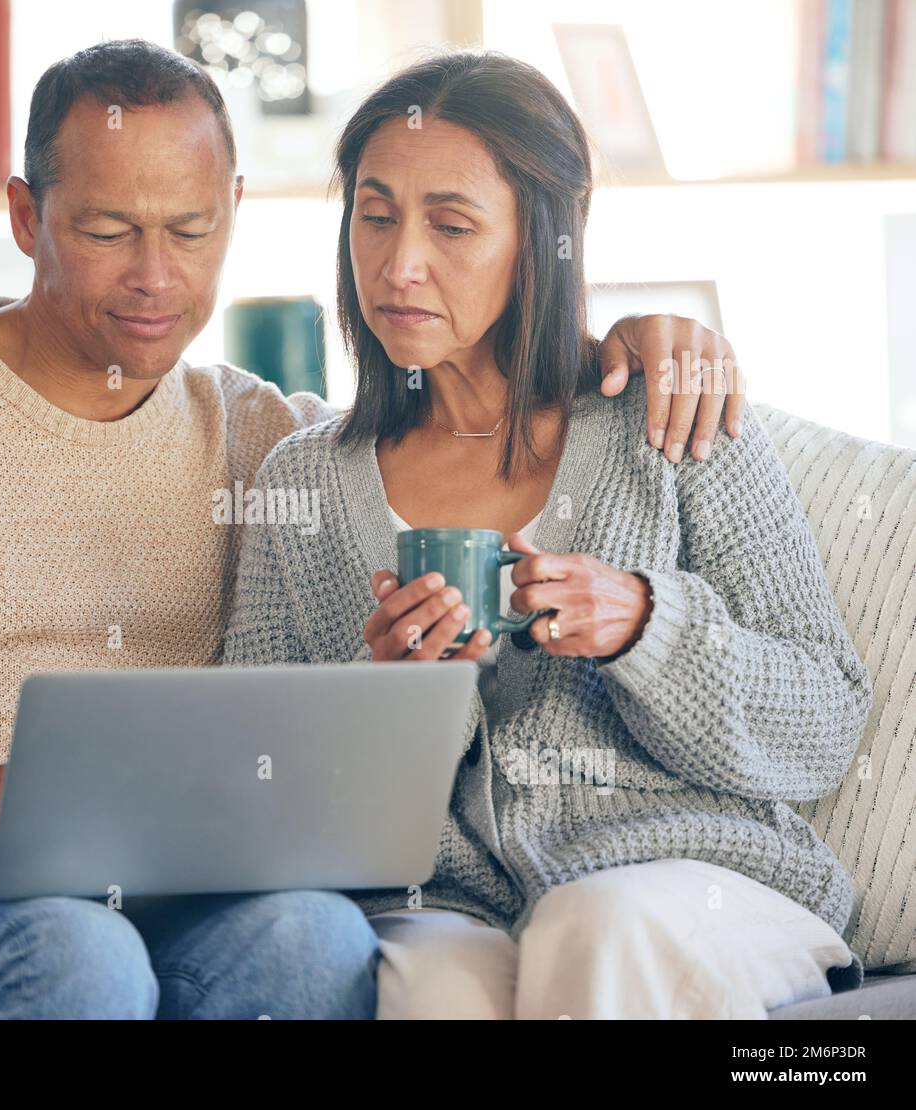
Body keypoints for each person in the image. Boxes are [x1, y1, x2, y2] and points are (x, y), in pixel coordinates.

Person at [0, 40, 746, 1020]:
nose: (155, 279)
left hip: (116, 895)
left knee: (310, 935)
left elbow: (452, 419)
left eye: (190, 230)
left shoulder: (254, 435)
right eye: (109, 230)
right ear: (26, 217)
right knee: (73, 955)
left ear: (237, 216)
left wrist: (633, 341)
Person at [222, 50, 873, 1019]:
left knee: (590, 924)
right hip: (454, 903)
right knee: (423, 983)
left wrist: (648, 628)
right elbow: (248, 782)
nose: (399, 263)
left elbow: (821, 723)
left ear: (542, 241)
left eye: (451, 224)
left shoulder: (672, 424)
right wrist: (383, 711)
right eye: (373, 213)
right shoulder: (303, 484)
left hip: (693, 881)